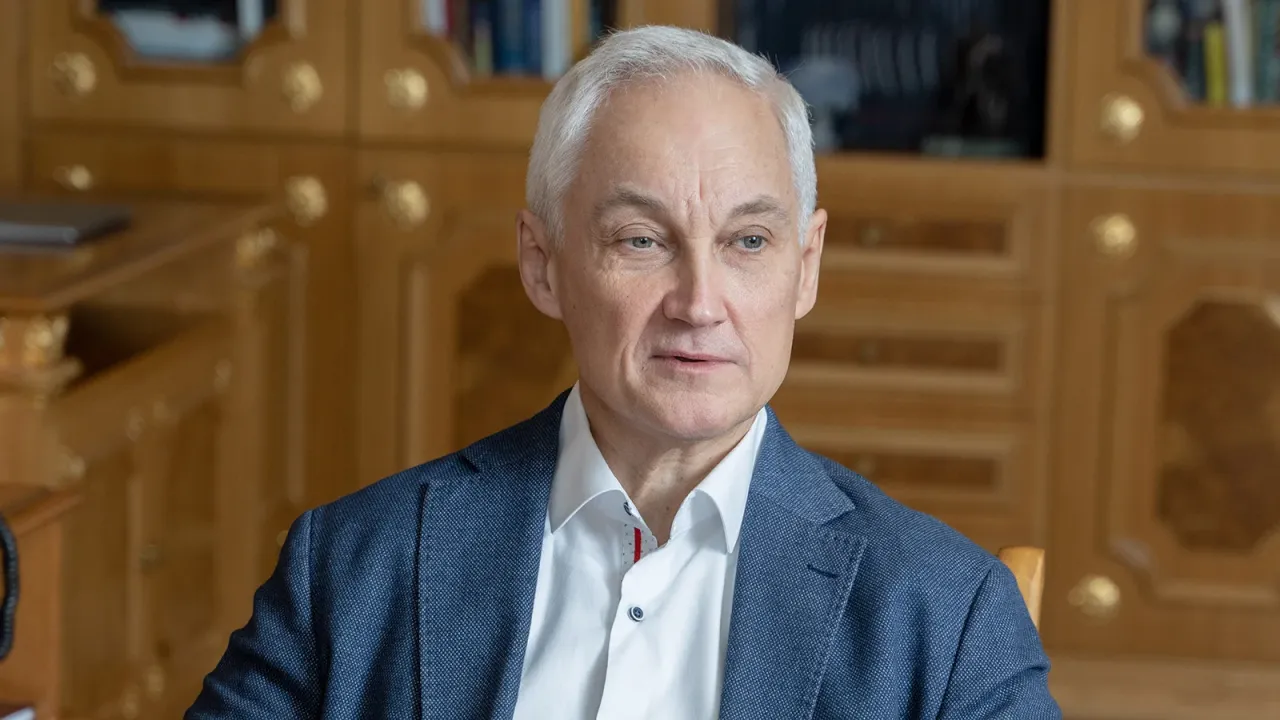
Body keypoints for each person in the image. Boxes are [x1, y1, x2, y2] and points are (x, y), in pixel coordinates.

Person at [187, 25, 1060, 719]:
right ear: (542, 264)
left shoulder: (947, 617)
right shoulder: (351, 567)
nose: (700, 302)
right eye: (642, 240)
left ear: (806, 267)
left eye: (748, 241)